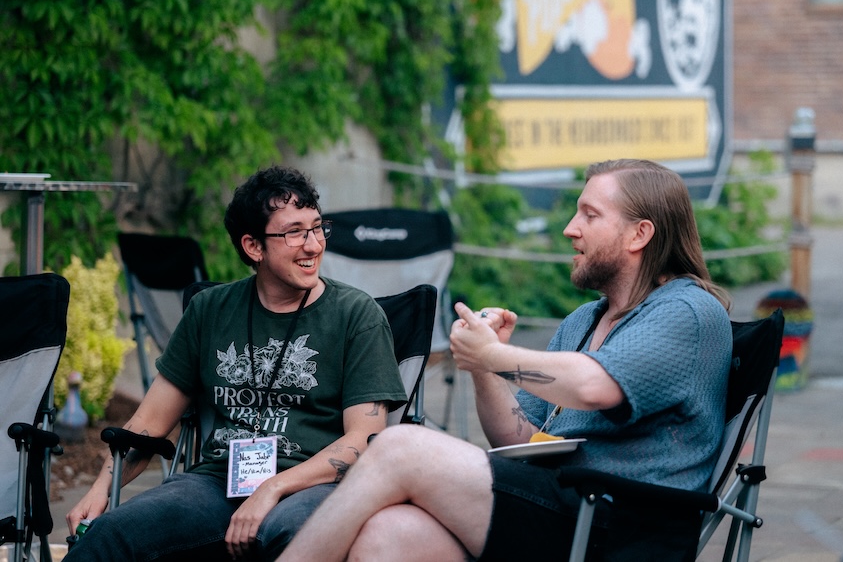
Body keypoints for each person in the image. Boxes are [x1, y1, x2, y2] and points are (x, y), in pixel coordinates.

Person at [277, 158, 733, 562]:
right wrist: (484, 367)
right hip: (562, 505)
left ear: (641, 233)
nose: (570, 228)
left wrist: (495, 353)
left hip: (622, 526)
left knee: (400, 447)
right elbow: (518, 437)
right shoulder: (583, 321)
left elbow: (594, 386)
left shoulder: (687, 312)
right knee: (389, 535)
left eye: (590, 215)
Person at [64, 166, 406, 561]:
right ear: (253, 247)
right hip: (217, 482)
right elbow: (148, 424)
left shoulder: (356, 315)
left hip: (314, 487)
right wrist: (99, 491)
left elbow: (363, 442)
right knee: (110, 535)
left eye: (317, 228)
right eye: (294, 232)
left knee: (292, 535)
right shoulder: (209, 310)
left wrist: (272, 488)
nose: (313, 245)